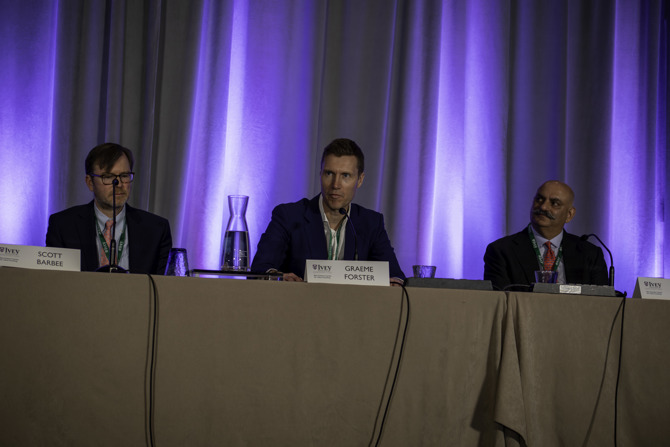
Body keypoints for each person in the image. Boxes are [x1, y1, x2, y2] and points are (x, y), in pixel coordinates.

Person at [251, 138, 405, 284]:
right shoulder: (289, 216)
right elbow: (260, 269)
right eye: (329, 173)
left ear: (360, 180)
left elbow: (395, 277)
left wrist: (395, 282)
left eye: (345, 175)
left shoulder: (371, 223)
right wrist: (278, 278)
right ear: (320, 174)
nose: (335, 185)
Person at [46, 143, 172, 274]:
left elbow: (163, 284)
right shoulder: (63, 226)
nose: (119, 184)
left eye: (124, 175)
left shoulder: (157, 229)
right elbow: (55, 281)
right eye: (108, 177)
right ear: (90, 182)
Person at [483, 180, 608, 291]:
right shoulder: (501, 251)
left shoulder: (590, 254)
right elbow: (500, 302)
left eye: (554, 203)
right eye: (539, 199)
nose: (543, 207)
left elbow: (602, 304)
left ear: (569, 214)